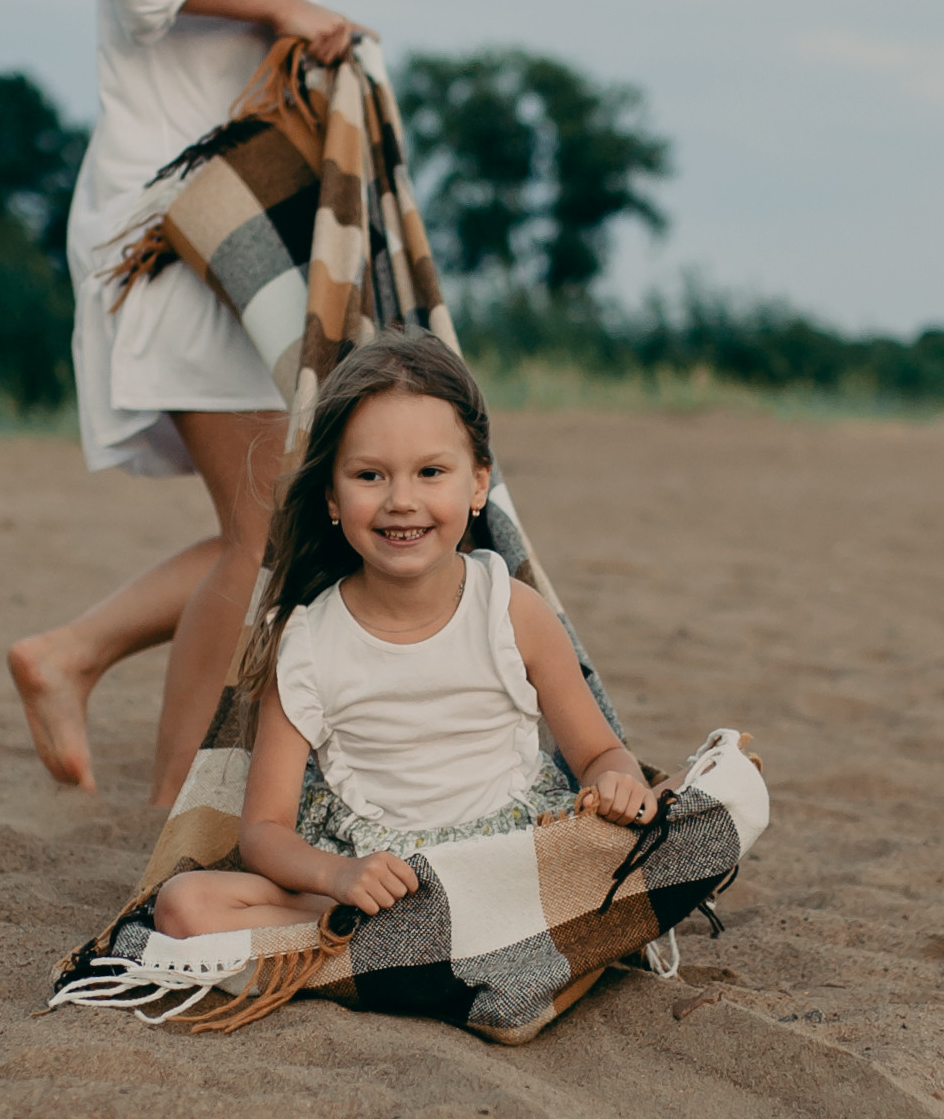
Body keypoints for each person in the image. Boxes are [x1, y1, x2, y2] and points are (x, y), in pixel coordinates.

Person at [9, 0, 397, 809]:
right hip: (166, 224)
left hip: (236, 230)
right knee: (273, 520)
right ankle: (174, 806)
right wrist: (290, 8)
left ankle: (71, 654)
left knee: (281, 520)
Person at [151, 334, 662, 939]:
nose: (401, 500)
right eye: (369, 475)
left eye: (430, 472)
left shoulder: (512, 611)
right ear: (332, 498)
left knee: (699, 800)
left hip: (513, 861)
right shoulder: (307, 641)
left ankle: (410, 950)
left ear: (477, 486)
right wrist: (340, 876)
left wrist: (616, 782)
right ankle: (425, 945)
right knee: (184, 906)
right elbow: (264, 832)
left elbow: (600, 752)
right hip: (384, 888)